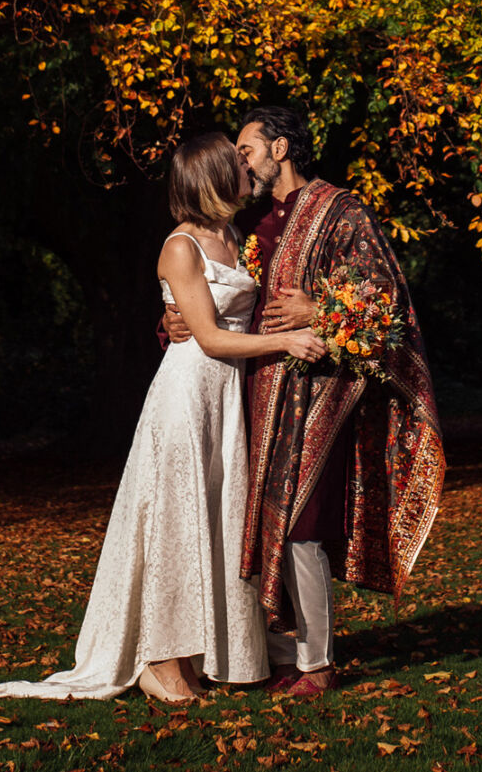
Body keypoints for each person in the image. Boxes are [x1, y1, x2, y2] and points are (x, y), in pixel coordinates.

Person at [0, 133, 327, 704]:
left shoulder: (234, 236)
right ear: (211, 176)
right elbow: (211, 338)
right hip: (188, 396)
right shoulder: (181, 247)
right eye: (235, 162)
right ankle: (160, 661)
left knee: (214, 524)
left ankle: (210, 650)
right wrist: (287, 341)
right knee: (174, 524)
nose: (245, 167)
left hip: (227, 399)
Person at [163, 106, 445, 698]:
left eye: (246, 149)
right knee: (257, 522)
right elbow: (214, 303)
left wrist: (320, 314)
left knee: (303, 524)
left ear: (282, 148)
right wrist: (172, 319)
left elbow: (385, 304)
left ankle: (317, 665)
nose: (239, 161)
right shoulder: (253, 228)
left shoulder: (344, 213)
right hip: (252, 398)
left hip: (322, 395)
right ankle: (269, 647)